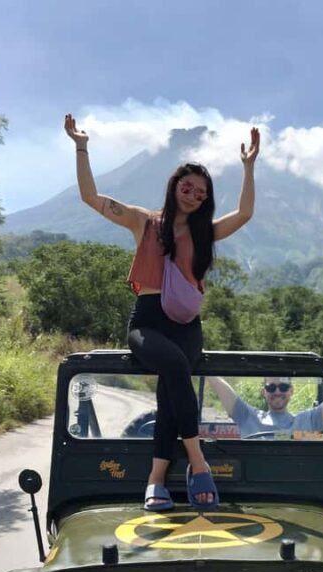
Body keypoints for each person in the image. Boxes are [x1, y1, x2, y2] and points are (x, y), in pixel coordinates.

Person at [64, 113, 260, 512]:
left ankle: (155, 481)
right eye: (189, 187)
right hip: (148, 321)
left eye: (202, 194)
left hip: (187, 325)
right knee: (173, 367)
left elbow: (244, 215)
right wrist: (81, 146)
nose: (194, 196)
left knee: (171, 394)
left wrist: (248, 167)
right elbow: (90, 197)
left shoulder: (206, 232)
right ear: (175, 187)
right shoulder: (144, 222)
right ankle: (198, 463)